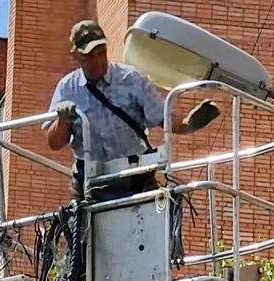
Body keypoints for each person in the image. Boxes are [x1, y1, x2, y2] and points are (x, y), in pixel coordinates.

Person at [43, 19, 218, 200]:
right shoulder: (67, 88)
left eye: (101, 53)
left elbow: (164, 119)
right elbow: (54, 143)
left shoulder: (131, 79)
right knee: (78, 228)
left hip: (135, 177)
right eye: (89, 57)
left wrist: (188, 124)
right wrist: (63, 121)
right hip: (90, 184)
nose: (97, 61)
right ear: (76, 57)